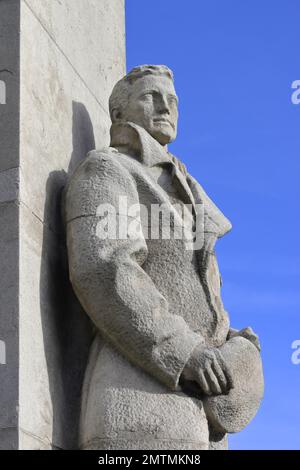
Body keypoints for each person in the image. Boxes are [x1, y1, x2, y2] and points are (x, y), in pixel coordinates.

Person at [64, 65, 261, 450]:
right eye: (150, 97)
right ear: (119, 112)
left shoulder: (186, 186)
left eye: (172, 101)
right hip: (139, 400)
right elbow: (105, 269)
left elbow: (200, 292)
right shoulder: (108, 168)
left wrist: (235, 341)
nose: (165, 107)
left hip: (202, 412)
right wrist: (183, 351)